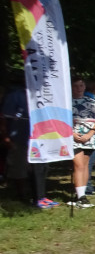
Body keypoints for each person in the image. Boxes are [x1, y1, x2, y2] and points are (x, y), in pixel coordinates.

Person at [1, 70, 54, 207]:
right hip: (19, 138)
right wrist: (6, 137)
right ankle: (21, 196)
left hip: (40, 138)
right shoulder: (15, 96)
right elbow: (4, 118)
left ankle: (39, 195)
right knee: (20, 168)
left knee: (41, 167)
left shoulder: (43, 96)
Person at [70, 75, 95, 207]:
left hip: (89, 137)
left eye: (81, 85)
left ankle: (82, 194)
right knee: (78, 165)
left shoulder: (92, 102)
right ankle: (80, 196)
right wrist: (71, 133)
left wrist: (90, 133)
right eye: (76, 86)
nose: (79, 88)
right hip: (73, 137)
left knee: (84, 165)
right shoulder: (66, 102)